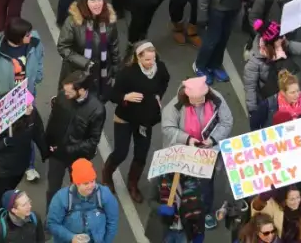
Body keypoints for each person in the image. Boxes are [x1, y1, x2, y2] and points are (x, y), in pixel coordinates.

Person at [160, 76, 234, 227]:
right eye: (195, 99)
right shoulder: (175, 106)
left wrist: (212, 140)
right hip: (185, 151)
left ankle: (204, 211)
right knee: (183, 183)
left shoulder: (216, 99)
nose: (199, 101)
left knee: (207, 183)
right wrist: (187, 139)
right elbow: (167, 128)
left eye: (201, 98)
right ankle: (183, 209)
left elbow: (226, 121)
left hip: (208, 151)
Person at [104, 40, 169, 202]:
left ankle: (133, 184)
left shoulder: (160, 68)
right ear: (138, 58)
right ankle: (106, 176)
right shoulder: (127, 73)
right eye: (147, 60)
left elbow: (164, 81)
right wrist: (125, 97)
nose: (151, 62)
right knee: (121, 152)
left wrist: (158, 96)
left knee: (141, 154)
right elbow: (112, 95)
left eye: (153, 59)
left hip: (145, 120)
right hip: (125, 118)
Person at [43, 71, 106, 206]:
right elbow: (53, 121)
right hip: (57, 154)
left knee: (79, 191)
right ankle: (52, 219)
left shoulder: (97, 109)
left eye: (69, 92)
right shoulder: (62, 97)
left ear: (82, 91)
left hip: (78, 157)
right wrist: (47, 143)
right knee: (53, 190)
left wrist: (67, 149)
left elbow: (92, 142)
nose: (65, 94)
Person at [46, 158, 119, 243]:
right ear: (76, 183)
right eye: (86, 183)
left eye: (92, 181)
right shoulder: (61, 198)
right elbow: (52, 223)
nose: (91, 186)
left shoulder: (105, 195)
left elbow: (112, 223)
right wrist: (71, 237)